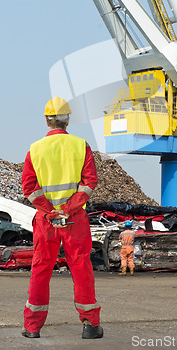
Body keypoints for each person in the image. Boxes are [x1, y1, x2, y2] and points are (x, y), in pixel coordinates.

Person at [21, 96, 103, 339]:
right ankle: (90, 325)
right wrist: (69, 208)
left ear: (47, 120)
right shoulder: (81, 145)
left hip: (46, 222)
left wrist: (49, 209)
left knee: (40, 270)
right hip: (74, 220)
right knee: (81, 269)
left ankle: (32, 327)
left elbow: (29, 187)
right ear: (68, 120)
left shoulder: (35, 149)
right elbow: (89, 182)